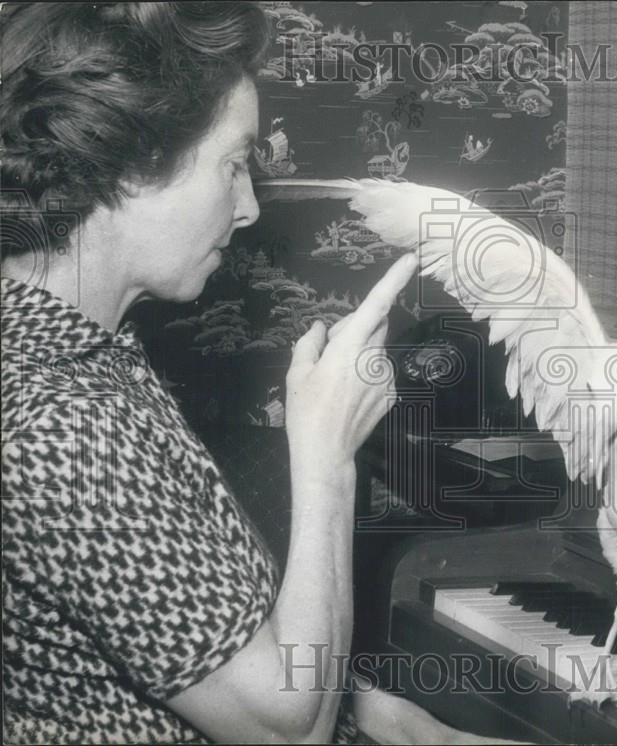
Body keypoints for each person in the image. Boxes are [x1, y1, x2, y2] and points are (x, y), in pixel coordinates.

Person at [0, 4, 521, 744]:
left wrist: (396, 722)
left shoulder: (82, 350)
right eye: (235, 163)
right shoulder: (60, 423)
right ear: (128, 165)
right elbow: (286, 730)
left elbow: (194, 636)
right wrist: (327, 456)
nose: (248, 207)